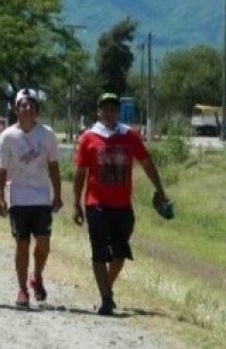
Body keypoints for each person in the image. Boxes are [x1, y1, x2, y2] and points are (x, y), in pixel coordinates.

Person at [72, 93, 171, 316]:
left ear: (117, 112)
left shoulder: (129, 136)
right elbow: (80, 173)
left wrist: (160, 189)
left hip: (122, 206)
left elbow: (146, 163)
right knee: (99, 252)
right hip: (96, 203)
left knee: (120, 253)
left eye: (113, 109)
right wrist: (76, 204)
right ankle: (106, 299)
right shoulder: (89, 138)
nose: (109, 113)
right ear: (98, 112)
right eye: (105, 109)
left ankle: (106, 287)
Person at [0, 88, 63, 307]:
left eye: (31, 105)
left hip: (41, 195)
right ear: (16, 110)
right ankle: (22, 289)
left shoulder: (47, 134)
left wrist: (58, 194)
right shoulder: (8, 136)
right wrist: (0, 197)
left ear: (37, 111)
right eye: (23, 105)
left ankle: (37, 276)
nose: (27, 109)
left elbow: (53, 166)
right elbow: (2, 170)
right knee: (21, 243)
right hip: (18, 195)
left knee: (43, 243)